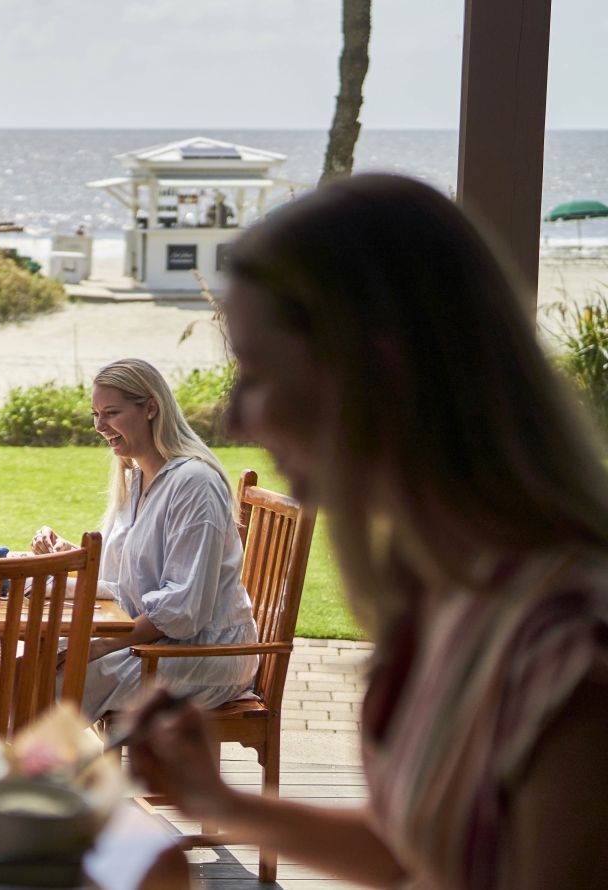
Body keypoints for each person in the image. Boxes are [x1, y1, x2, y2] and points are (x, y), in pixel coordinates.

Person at [123, 174, 608, 888]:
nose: (237, 419)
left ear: (379, 373)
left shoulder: (572, 657)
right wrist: (214, 800)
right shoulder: (442, 588)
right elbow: (412, 850)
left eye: (254, 372)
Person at [33, 358, 257, 719]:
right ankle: (29, 767)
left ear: (150, 408)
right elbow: (130, 579)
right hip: (155, 642)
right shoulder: (138, 478)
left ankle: (29, 769)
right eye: (95, 414)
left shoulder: (194, 484)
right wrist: (73, 557)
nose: (99, 426)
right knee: (22, 661)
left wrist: (102, 645)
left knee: (41, 683)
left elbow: (184, 608)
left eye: (111, 413)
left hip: (200, 655)